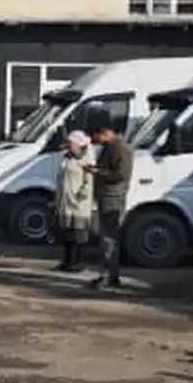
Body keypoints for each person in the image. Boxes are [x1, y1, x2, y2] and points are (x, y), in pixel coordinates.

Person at [88, 116, 133, 291]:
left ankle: (108, 275)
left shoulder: (119, 148)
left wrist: (99, 172)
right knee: (108, 237)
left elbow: (120, 174)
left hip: (112, 196)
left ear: (106, 133)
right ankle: (110, 274)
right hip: (107, 195)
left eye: (97, 135)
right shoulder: (111, 147)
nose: (95, 139)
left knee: (109, 238)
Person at [53, 129, 96, 272]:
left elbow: (89, 181)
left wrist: (81, 196)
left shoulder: (87, 159)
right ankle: (66, 262)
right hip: (65, 201)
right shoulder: (67, 157)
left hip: (79, 203)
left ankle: (78, 263)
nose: (69, 145)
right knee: (67, 234)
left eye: (71, 143)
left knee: (79, 234)